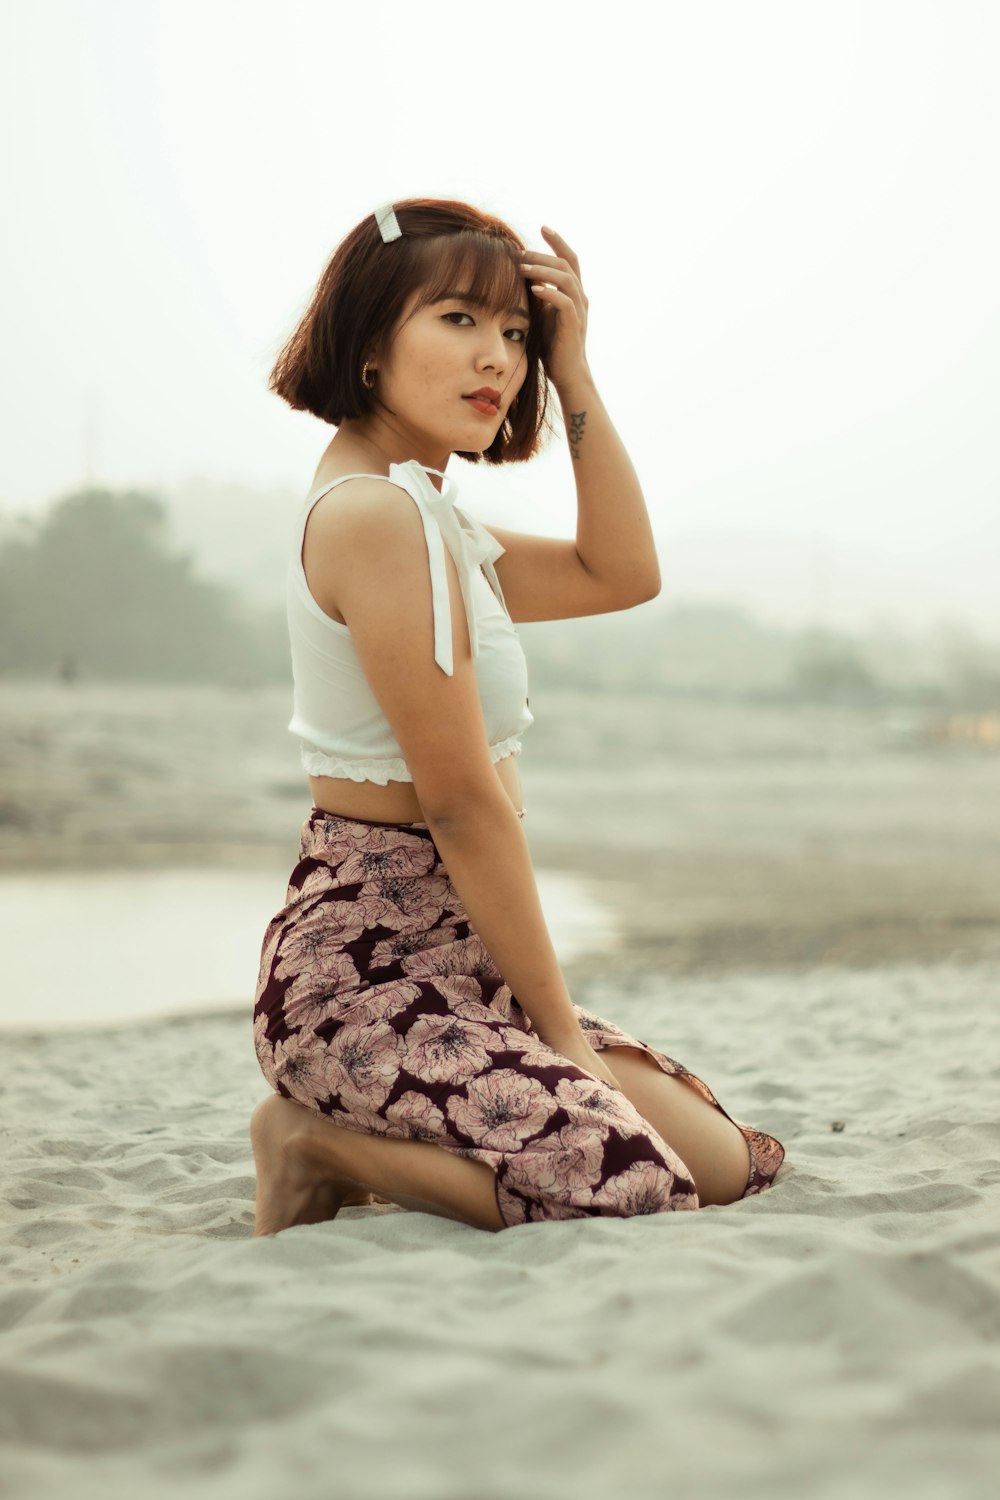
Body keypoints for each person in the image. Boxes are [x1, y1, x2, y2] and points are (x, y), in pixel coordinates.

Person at [250, 197, 785, 1234]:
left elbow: (619, 572)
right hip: (364, 971)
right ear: (368, 343)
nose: (495, 357)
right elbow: (459, 805)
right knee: (636, 1181)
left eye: (514, 333)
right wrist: (566, 1043)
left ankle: (405, 1133)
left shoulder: (427, 510)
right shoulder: (376, 518)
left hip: (460, 956)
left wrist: (574, 371)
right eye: (457, 320)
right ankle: (309, 1144)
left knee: (721, 1165)